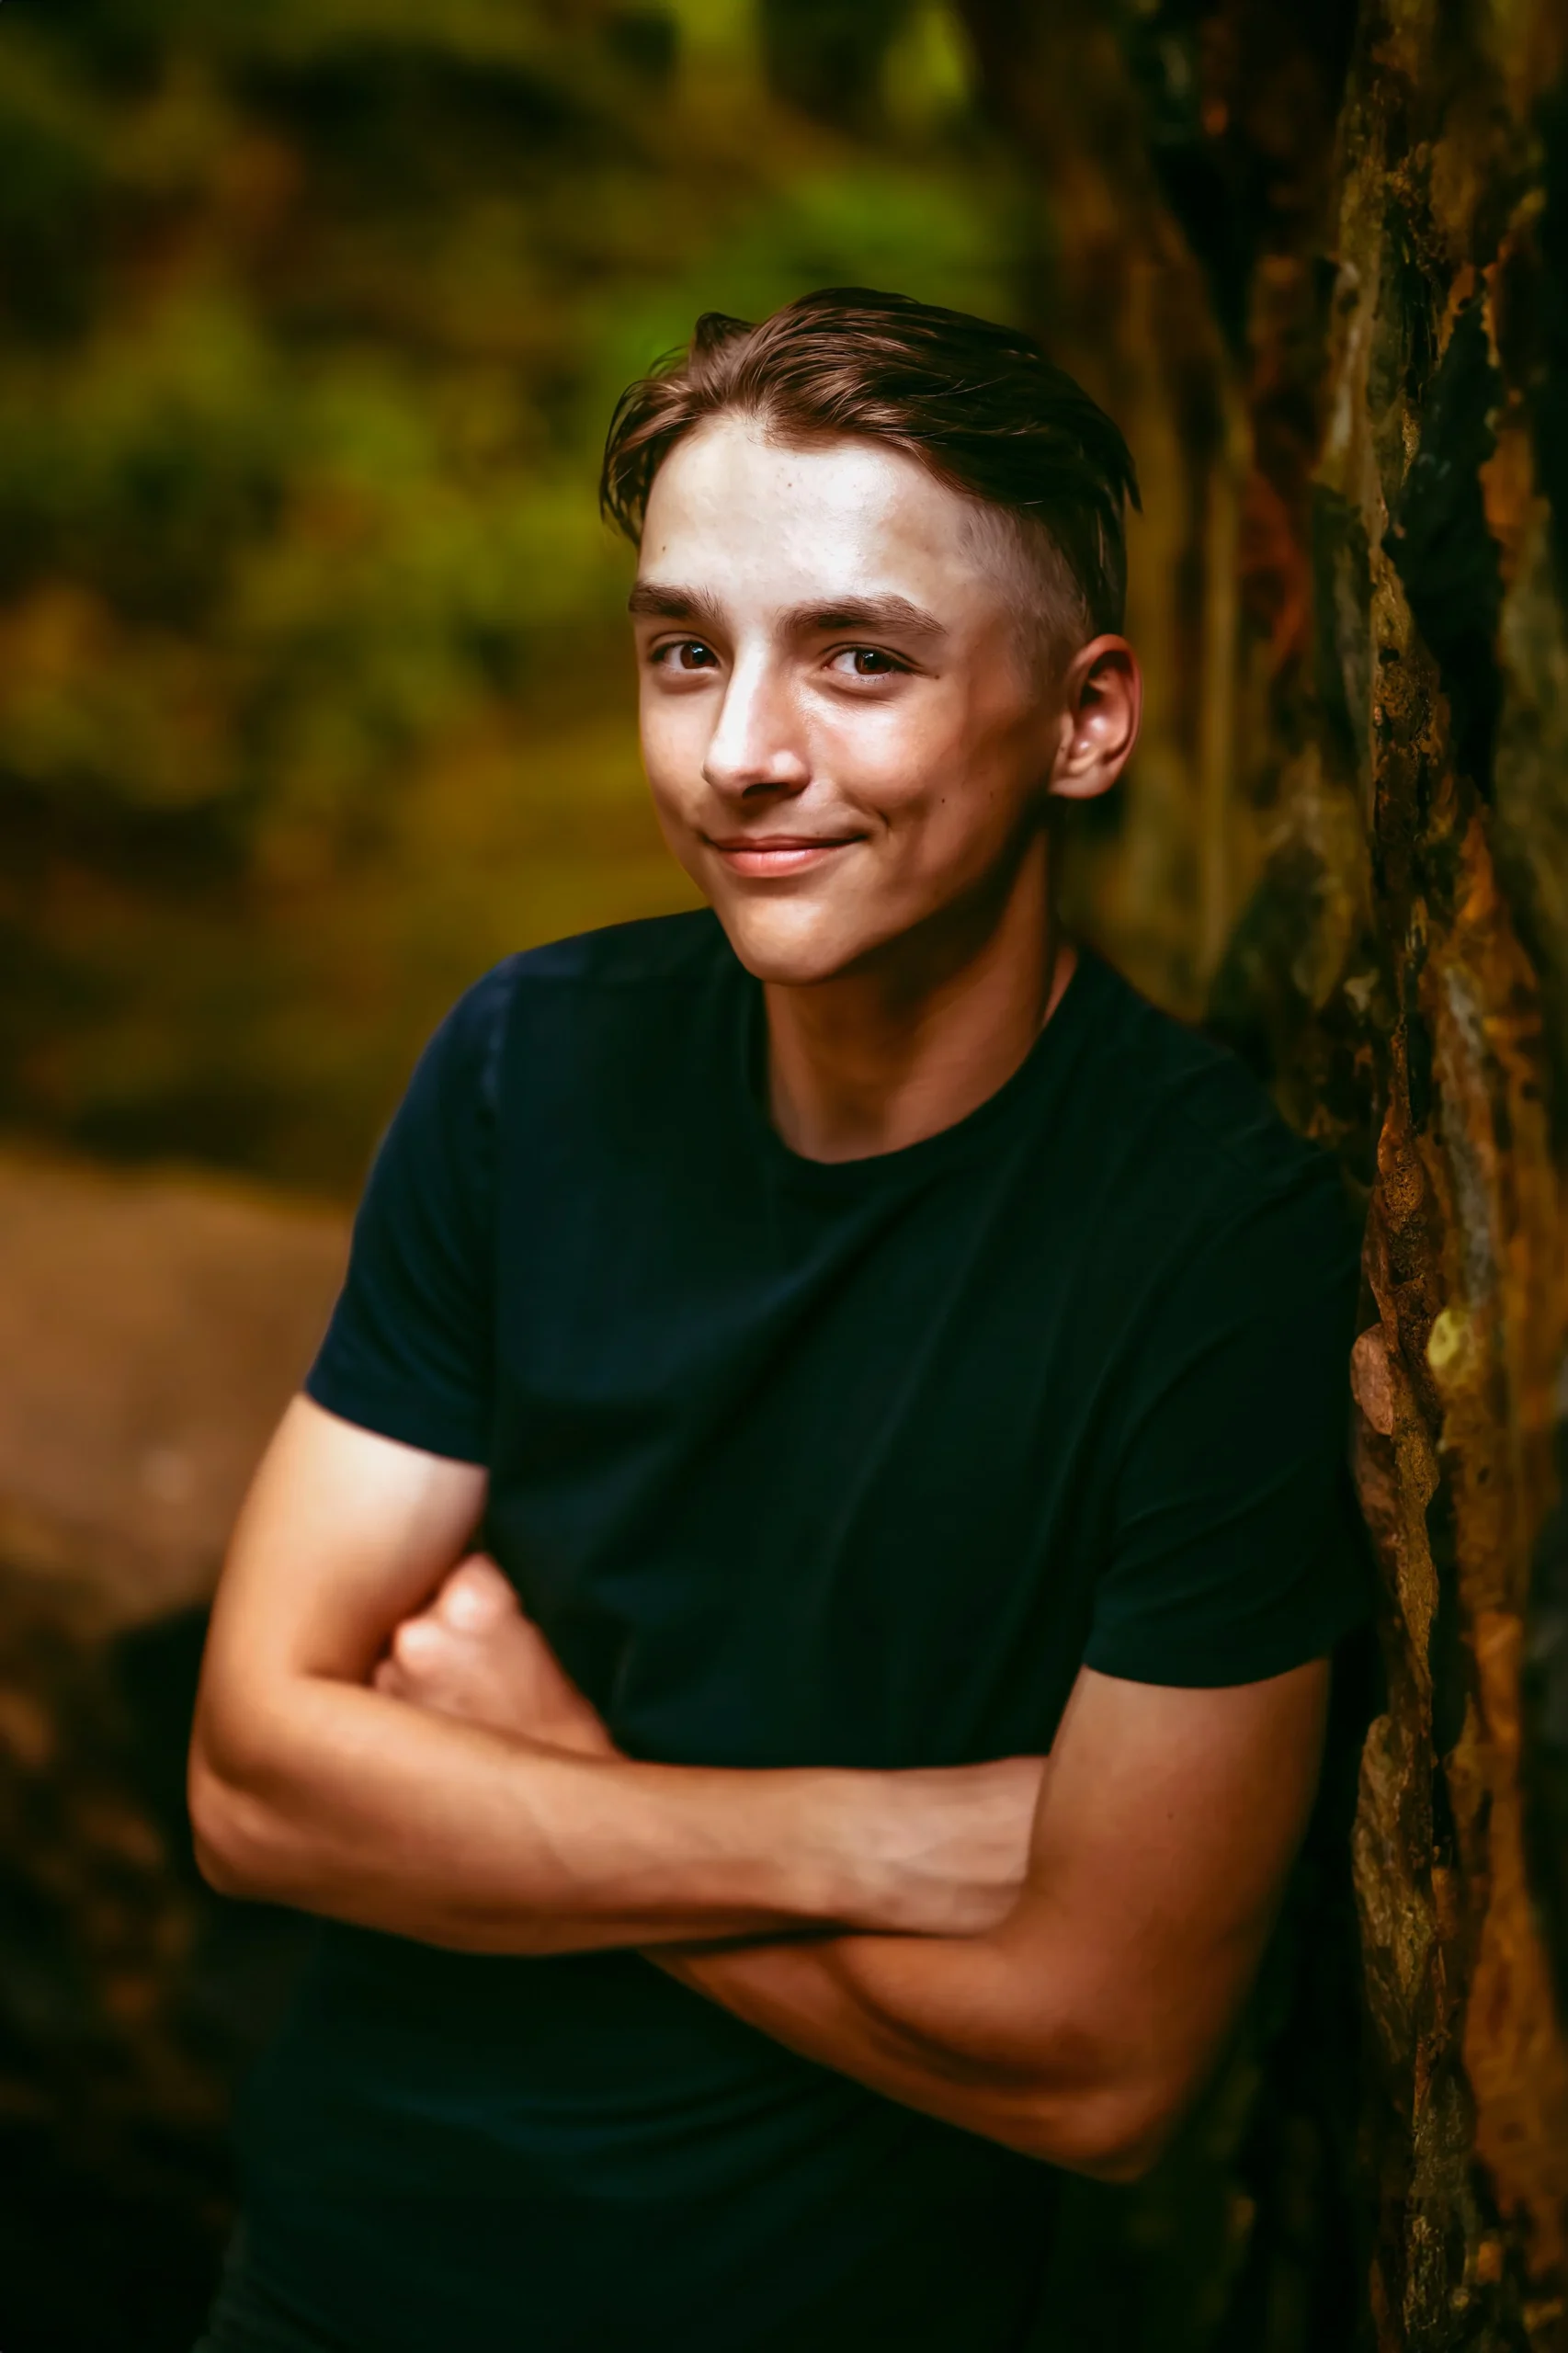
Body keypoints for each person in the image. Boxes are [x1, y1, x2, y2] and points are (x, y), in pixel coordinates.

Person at [188, 288, 1369, 2352]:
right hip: (329, 2279)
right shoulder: (526, 1065)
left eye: (859, 656)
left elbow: (1104, 2059)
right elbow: (260, 1785)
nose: (740, 751)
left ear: (1088, 718)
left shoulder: (1213, 1244)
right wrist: (896, 1836)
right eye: (681, 652)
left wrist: (547, 1769)